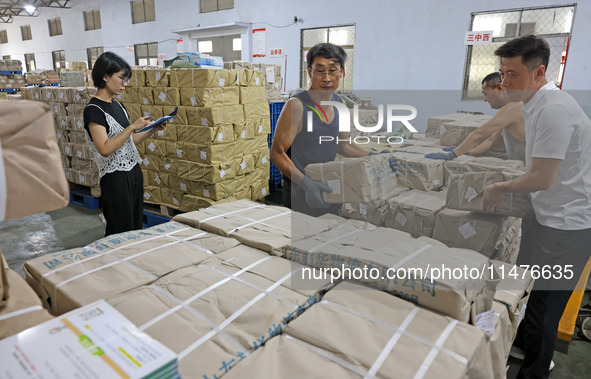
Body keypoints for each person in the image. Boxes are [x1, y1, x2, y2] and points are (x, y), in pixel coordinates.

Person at [481, 35, 591, 379]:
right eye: (502, 74)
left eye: (512, 74)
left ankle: (535, 371)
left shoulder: (554, 109)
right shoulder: (535, 105)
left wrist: (500, 187)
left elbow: (542, 177)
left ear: (539, 72)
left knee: (545, 309)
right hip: (546, 215)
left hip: (567, 226)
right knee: (526, 288)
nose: (504, 82)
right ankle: (522, 347)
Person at [270, 43, 392, 216]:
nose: (327, 78)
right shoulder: (296, 106)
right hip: (300, 188)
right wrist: (305, 183)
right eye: (320, 71)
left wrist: (373, 156)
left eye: (333, 70)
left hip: (329, 184)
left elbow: (343, 146)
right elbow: (277, 153)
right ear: (310, 72)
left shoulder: (340, 104)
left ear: (341, 73)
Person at [83, 52, 164, 236]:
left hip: (133, 172)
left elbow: (129, 142)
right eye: (121, 78)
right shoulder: (93, 110)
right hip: (115, 179)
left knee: (134, 226)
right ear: (105, 76)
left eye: (126, 79)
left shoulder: (118, 106)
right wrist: (132, 127)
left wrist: (151, 130)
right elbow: (104, 148)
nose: (124, 84)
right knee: (120, 229)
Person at [425, 72, 525, 162]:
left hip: (529, 169)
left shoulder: (515, 106)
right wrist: (466, 152)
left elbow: (479, 134)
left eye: (486, 94)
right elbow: (492, 141)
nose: (485, 99)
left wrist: (452, 155)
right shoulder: (513, 107)